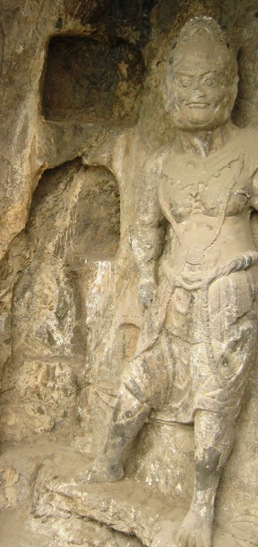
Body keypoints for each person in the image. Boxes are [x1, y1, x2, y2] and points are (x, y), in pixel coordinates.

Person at [78, 16, 258, 547]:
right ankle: (109, 460)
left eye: (210, 80)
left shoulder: (251, 149)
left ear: (232, 86)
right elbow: (145, 229)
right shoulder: (160, 165)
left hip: (229, 292)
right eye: (186, 81)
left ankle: (202, 508)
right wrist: (148, 284)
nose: (197, 93)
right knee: (140, 378)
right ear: (168, 89)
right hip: (175, 294)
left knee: (215, 399)